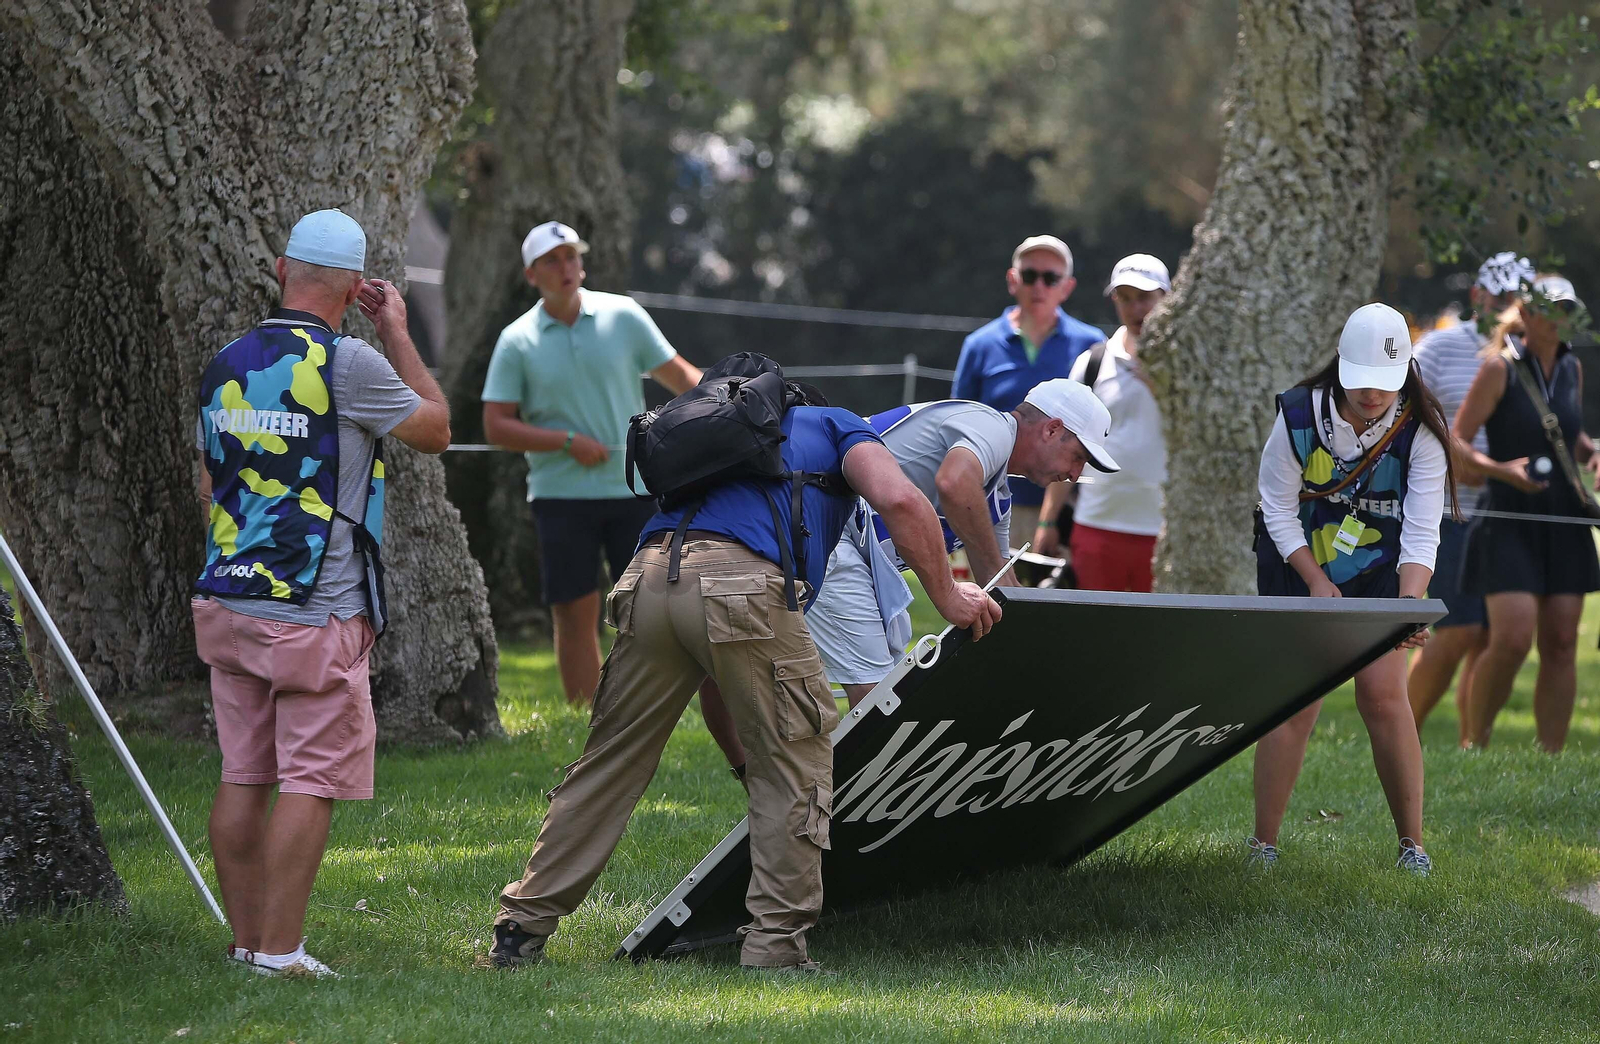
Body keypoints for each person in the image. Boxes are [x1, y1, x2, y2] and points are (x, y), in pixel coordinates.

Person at [489, 363, 1002, 973]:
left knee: (609, 761)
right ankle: (776, 948)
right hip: (742, 585)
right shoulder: (834, 424)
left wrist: (740, 758)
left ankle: (521, 926)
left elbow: (715, 678)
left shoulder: (711, 451)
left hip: (648, 578)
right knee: (799, 759)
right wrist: (950, 596)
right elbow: (900, 499)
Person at [193, 209, 451, 977]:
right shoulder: (351, 363)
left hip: (227, 599)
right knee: (310, 779)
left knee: (244, 773)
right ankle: (280, 953)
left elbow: (211, 479)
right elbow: (435, 429)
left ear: (282, 271)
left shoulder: (226, 361)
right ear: (351, 288)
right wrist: (398, 332)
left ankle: (246, 943)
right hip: (315, 610)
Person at [1250, 302, 1455, 875]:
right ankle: (1262, 844)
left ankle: (1412, 845)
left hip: (1378, 572)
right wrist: (1314, 580)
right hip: (1297, 563)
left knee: (1384, 697)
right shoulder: (1296, 416)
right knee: (1296, 701)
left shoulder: (1422, 436)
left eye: (1384, 384)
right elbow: (1275, 506)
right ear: (1340, 367)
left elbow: (1420, 533)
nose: (1372, 395)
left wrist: (1408, 610)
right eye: (1361, 380)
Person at [481, 221, 702, 705]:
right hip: (560, 498)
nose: (566, 268)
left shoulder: (624, 316)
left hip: (636, 491)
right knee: (574, 613)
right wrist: (565, 442)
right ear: (531, 274)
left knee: (651, 610)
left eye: (572, 257)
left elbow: (683, 377)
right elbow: (496, 426)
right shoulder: (516, 340)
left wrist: (729, 409)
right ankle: (583, 719)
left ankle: (645, 710)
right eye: (552, 261)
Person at [1453, 274, 1600, 753]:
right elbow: (1457, 439)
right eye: (1550, 309)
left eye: (1566, 310)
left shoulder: (1571, 368)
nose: (1559, 319)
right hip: (1510, 517)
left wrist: (1591, 452)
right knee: (1513, 637)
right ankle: (1476, 743)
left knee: (1560, 641)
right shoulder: (1499, 369)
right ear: (1529, 313)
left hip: (1565, 521)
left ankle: (1550, 758)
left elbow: (1567, 437)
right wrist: (1500, 470)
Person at [1407, 252, 1535, 742]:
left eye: (1516, 300)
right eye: (1499, 297)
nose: (1507, 308)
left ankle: (1470, 741)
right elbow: (1413, 419)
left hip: (1504, 513)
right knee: (1457, 630)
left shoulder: (1524, 356)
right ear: (1478, 295)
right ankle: (1402, 730)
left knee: (1487, 635)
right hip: (1449, 511)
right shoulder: (1440, 347)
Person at [953, 235, 1106, 548]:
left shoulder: (1092, 345)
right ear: (1013, 280)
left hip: (1069, 508)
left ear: (1067, 287)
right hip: (989, 503)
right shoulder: (979, 346)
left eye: (1050, 278)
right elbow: (959, 423)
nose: (1039, 286)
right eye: (1029, 276)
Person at [1063, 254, 1170, 590]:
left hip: (1168, 531)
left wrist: (1162, 388)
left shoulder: (1195, 367)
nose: (1134, 308)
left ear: (1167, 299)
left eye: (1144, 298)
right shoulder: (1092, 363)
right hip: (1097, 524)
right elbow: (1065, 447)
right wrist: (1048, 521)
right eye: (1124, 298)